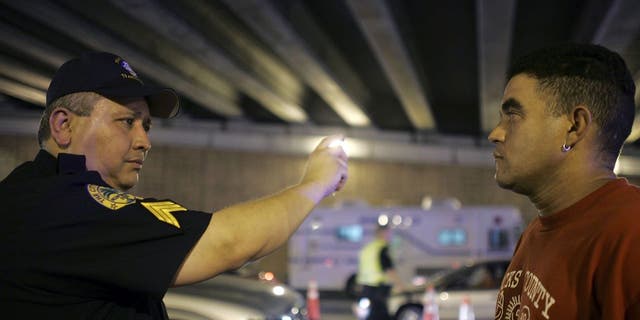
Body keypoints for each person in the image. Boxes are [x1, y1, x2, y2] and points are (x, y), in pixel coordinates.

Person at [0, 52, 348, 319]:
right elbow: (229, 242)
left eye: (146, 126)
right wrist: (318, 181)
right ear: (63, 126)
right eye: (127, 122)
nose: (144, 141)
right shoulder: (59, 206)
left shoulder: (33, 196)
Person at [488, 43, 640, 319]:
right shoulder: (535, 233)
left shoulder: (631, 232)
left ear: (574, 127)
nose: (495, 134)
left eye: (513, 116)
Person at [356, 224, 404, 320]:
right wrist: (399, 284)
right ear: (383, 233)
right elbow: (388, 269)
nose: (389, 236)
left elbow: (361, 268)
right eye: (388, 233)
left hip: (365, 287)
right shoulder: (382, 248)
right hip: (378, 287)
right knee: (381, 314)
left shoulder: (368, 248)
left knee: (370, 314)